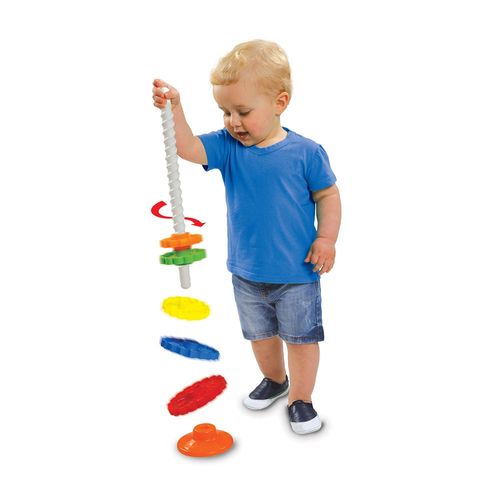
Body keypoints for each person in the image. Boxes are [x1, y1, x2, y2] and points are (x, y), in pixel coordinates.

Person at [152, 40, 341, 435]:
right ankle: (275, 380)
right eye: (225, 112)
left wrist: (326, 239)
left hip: (297, 273)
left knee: (301, 340)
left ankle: (301, 399)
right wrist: (176, 109)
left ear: (280, 102)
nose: (233, 122)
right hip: (247, 272)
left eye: (243, 111)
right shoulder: (228, 148)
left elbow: (327, 195)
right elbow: (187, 147)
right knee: (261, 337)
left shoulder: (306, 153)